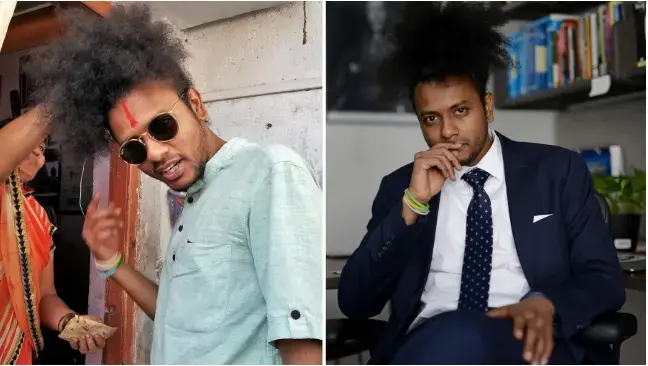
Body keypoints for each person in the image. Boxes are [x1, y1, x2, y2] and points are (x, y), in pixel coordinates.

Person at [24, 4, 322, 364]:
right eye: (134, 148)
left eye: (162, 126)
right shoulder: (195, 196)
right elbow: (177, 317)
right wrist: (111, 263)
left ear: (196, 104)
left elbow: (304, 344)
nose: (156, 153)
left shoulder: (270, 173)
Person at [337, 2, 625, 365]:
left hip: (527, 343)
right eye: (431, 118)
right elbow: (355, 302)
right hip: (427, 343)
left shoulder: (557, 170)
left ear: (487, 107)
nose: (447, 132)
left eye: (460, 111)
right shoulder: (401, 188)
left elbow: (604, 278)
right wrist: (411, 206)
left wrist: (546, 302)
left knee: (461, 333)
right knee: (452, 335)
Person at [0, 116, 108, 364]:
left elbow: (44, 296)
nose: (37, 158)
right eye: (28, 146)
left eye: (40, 150)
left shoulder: (38, 216)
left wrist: (69, 321)